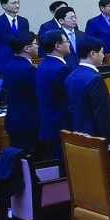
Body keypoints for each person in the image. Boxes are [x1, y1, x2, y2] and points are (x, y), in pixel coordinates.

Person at [64, 36, 110, 150]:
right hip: (96, 136)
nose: (103, 56)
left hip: (78, 132)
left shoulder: (71, 76)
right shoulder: (95, 79)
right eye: (102, 52)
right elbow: (102, 111)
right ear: (93, 54)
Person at [36, 31, 73, 161]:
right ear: (57, 46)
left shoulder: (42, 65)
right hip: (60, 123)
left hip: (47, 122)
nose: (68, 43)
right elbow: (69, 96)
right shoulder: (61, 68)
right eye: (66, 41)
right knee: (64, 165)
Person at [1, 32, 40, 152]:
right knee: (29, 161)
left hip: (13, 120)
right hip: (28, 124)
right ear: (27, 48)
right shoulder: (28, 69)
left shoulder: (10, 65)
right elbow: (36, 96)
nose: (38, 46)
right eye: (35, 43)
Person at [0, 0, 29, 73]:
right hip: (1, 65)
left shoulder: (24, 21)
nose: (17, 6)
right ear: (4, 5)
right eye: (13, 3)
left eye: (18, 3)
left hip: (20, 64)